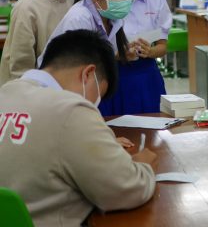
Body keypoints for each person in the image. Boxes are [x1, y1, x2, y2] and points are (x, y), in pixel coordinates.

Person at [0, 29, 157, 226]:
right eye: (98, 94)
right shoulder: (71, 109)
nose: (95, 104)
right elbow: (126, 189)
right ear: (88, 74)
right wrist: (142, 166)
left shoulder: (6, 93)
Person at [99, 0, 172, 115]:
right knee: (115, 125)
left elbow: (162, 46)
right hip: (113, 76)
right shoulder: (103, 0)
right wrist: (118, 54)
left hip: (147, 76)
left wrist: (150, 51)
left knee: (153, 125)